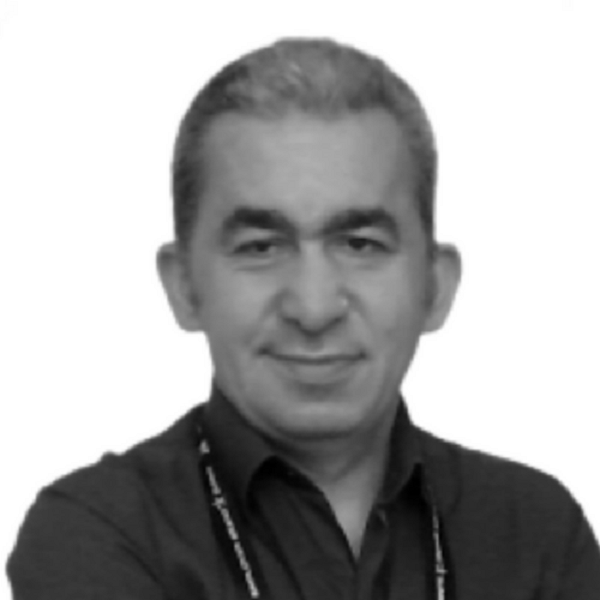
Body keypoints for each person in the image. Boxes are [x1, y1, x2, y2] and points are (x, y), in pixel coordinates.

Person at [7, 37, 600, 600]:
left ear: (435, 286)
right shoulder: (101, 530)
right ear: (184, 286)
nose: (313, 310)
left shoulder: (535, 530)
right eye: (261, 247)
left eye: (361, 244)